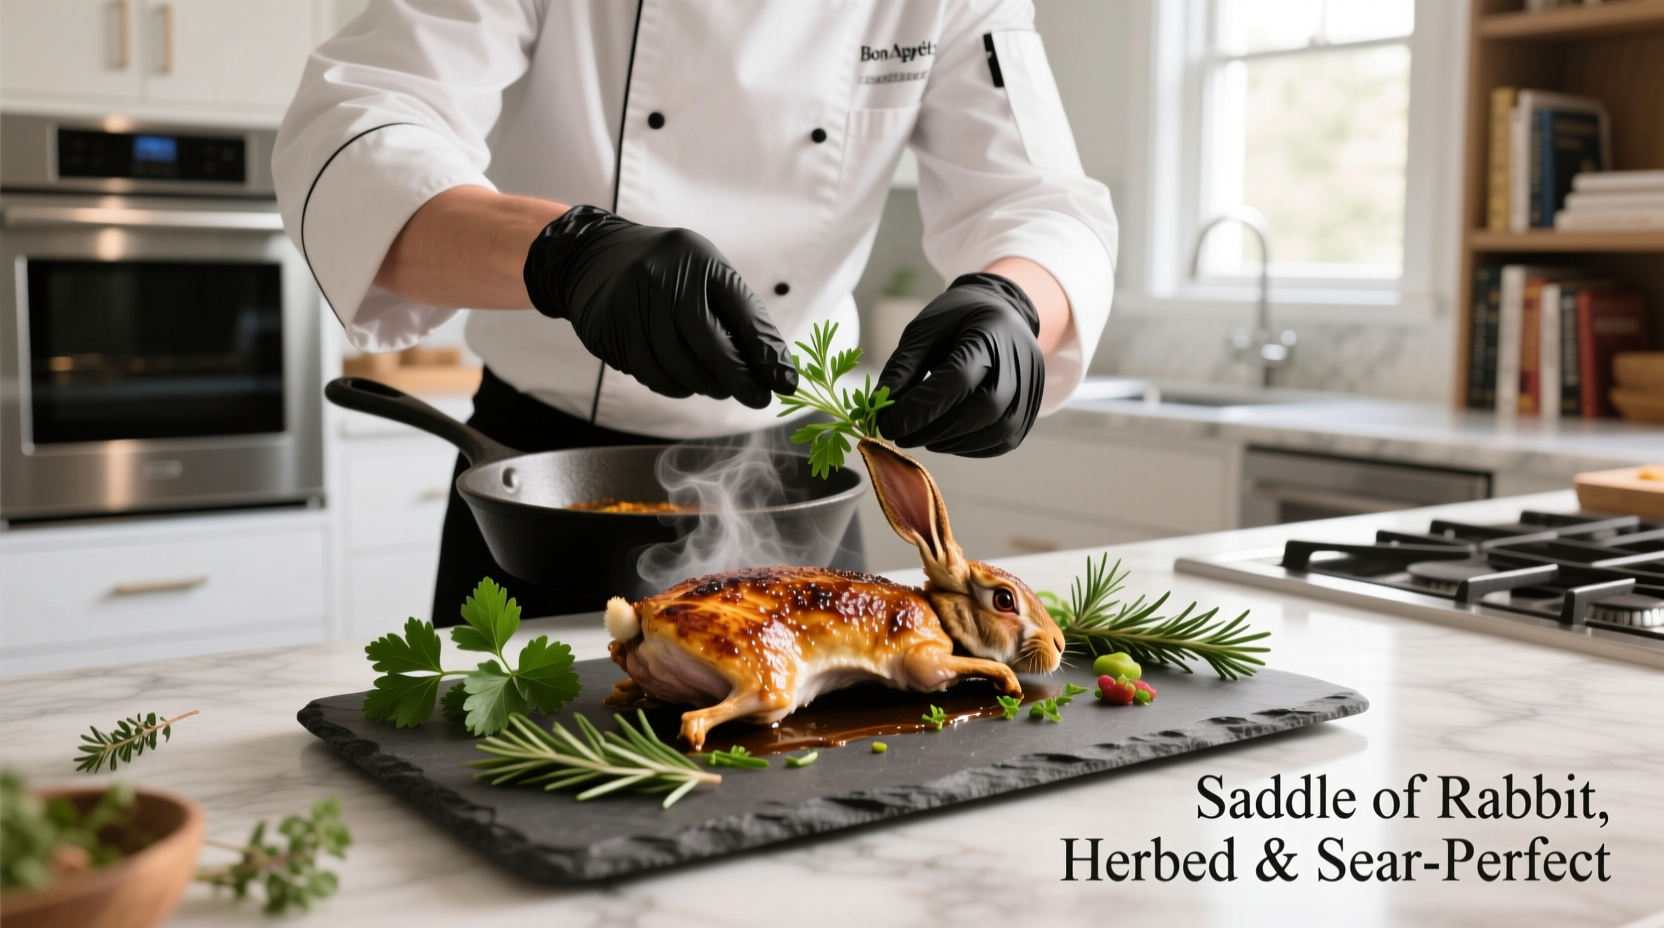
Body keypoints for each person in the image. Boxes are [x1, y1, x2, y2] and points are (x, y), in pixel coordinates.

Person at [273, 1, 1117, 625]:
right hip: (547, 494)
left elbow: (1041, 197)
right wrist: (563, 253)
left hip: (801, 490)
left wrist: (1015, 299)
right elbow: (359, 133)